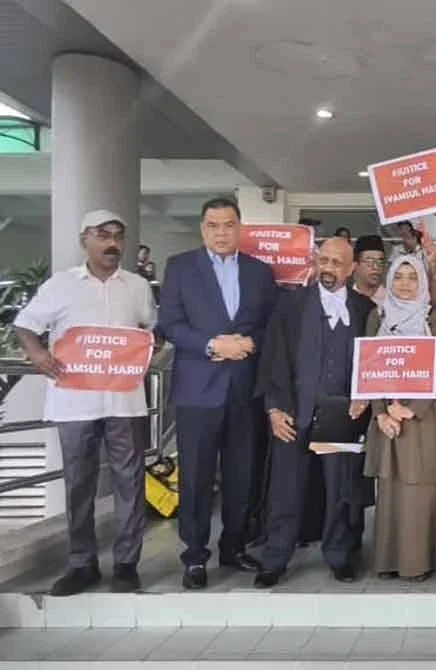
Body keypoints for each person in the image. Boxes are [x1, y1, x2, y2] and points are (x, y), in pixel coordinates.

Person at [13, 210, 156, 596]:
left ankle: (127, 564)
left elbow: (150, 329)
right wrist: (38, 355)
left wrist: (145, 352)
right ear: (84, 241)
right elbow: (25, 325)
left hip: (124, 401)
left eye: (117, 235)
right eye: (102, 235)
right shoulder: (60, 286)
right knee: (79, 484)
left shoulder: (137, 286)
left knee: (130, 482)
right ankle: (82, 564)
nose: (112, 243)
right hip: (74, 402)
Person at [158, 197, 278, 590]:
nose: (221, 232)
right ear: (202, 228)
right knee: (195, 477)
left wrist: (249, 344)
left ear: (239, 227)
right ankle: (194, 556)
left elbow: (272, 325)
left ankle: (234, 546)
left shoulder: (260, 272)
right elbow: (170, 324)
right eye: (213, 225)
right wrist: (212, 344)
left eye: (228, 224)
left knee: (242, 474)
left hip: (245, 388)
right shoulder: (180, 267)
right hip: (198, 390)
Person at [253, 237, 376, 587]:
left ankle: (340, 556)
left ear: (352, 268)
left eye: (338, 262)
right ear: (315, 261)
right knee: (285, 491)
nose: (329, 268)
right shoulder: (290, 306)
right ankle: (275, 558)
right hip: (295, 413)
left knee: (341, 490)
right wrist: (274, 408)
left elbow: (375, 361)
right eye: (324, 260)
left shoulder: (365, 309)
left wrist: (365, 396)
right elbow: (273, 359)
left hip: (343, 417)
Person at [364, 257, 436, 582]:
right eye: (399, 277)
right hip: (387, 417)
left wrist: (411, 408)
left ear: (422, 283)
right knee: (389, 492)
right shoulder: (378, 317)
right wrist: (381, 412)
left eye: (412, 277)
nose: (404, 284)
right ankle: (389, 560)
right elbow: (367, 368)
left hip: (422, 417)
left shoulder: (432, 318)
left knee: (420, 489)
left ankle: (419, 562)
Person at [351, 235, 387, 305]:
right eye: (369, 261)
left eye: (380, 262)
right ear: (355, 265)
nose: (375, 267)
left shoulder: (392, 301)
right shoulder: (344, 299)